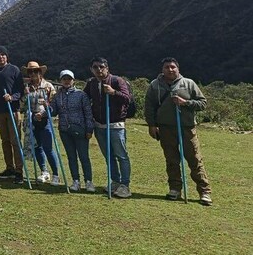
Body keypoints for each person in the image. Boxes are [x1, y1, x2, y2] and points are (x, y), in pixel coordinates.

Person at [144, 57, 212, 206]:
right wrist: (152, 125)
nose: (170, 69)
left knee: (194, 159)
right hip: (166, 128)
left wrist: (185, 102)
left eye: (173, 67)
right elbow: (149, 106)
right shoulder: (155, 86)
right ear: (162, 70)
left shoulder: (188, 84)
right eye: (167, 67)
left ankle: (204, 192)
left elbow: (203, 103)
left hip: (186, 128)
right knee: (172, 160)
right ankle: (175, 189)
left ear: (178, 69)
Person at [83, 56, 132, 198]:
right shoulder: (91, 83)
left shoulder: (117, 81)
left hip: (116, 125)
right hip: (99, 125)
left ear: (107, 68)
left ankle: (125, 185)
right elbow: (85, 98)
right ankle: (115, 181)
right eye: (95, 67)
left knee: (121, 155)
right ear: (92, 70)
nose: (99, 70)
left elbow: (127, 98)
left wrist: (113, 92)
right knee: (108, 156)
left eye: (101, 67)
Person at [50, 69, 95, 192]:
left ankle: (89, 181)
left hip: (80, 129)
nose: (66, 81)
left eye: (69, 79)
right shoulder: (57, 96)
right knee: (71, 157)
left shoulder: (81, 95)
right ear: (61, 80)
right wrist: (46, 107)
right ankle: (76, 181)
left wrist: (89, 129)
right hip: (64, 130)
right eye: (64, 79)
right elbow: (53, 111)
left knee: (84, 156)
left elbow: (88, 113)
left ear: (73, 80)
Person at [0, 45, 24, 184]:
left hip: (12, 110)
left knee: (16, 141)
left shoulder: (14, 70)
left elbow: (21, 90)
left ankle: (19, 171)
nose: (0, 57)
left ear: (7, 56)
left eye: (3, 54)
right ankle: (10, 168)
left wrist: (12, 97)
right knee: (5, 141)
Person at [24, 61, 61, 185]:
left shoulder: (48, 86)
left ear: (40, 72)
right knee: (37, 147)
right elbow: (23, 104)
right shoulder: (27, 88)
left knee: (48, 148)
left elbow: (53, 105)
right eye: (30, 72)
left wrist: (44, 113)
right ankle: (44, 172)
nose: (33, 74)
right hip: (32, 121)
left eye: (35, 71)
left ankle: (56, 174)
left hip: (45, 121)